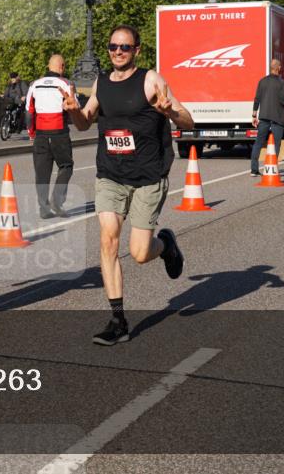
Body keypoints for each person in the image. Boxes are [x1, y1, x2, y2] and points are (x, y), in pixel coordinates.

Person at [61, 25, 194, 346]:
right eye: (112, 46)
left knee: (139, 253)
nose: (117, 52)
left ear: (137, 50)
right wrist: (75, 111)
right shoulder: (102, 83)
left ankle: (165, 245)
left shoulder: (151, 79)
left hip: (148, 175)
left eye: (124, 47)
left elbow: (189, 120)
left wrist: (171, 112)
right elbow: (84, 123)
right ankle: (117, 319)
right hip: (110, 173)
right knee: (108, 240)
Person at [27, 54, 75, 219]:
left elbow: (29, 112)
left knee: (42, 172)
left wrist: (31, 133)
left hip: (40, 133)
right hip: (59, 132)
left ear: (49, 66)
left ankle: (44, 208)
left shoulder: (35, 84)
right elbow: (75, 107)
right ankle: (57, 199)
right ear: (62, 67)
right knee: (66, 166)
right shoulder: (66, 84)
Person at [249, 58, 284, 176]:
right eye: (280, 66)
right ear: (278, 68)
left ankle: (254, 170)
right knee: (276, 143)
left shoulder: (262, 81)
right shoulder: (282, 83)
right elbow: (283, 101)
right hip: (277, 117)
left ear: (271, 68)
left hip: (264, 116)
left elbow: (257, 99)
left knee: (259, 142)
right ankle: (272, 168)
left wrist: (254, 115)